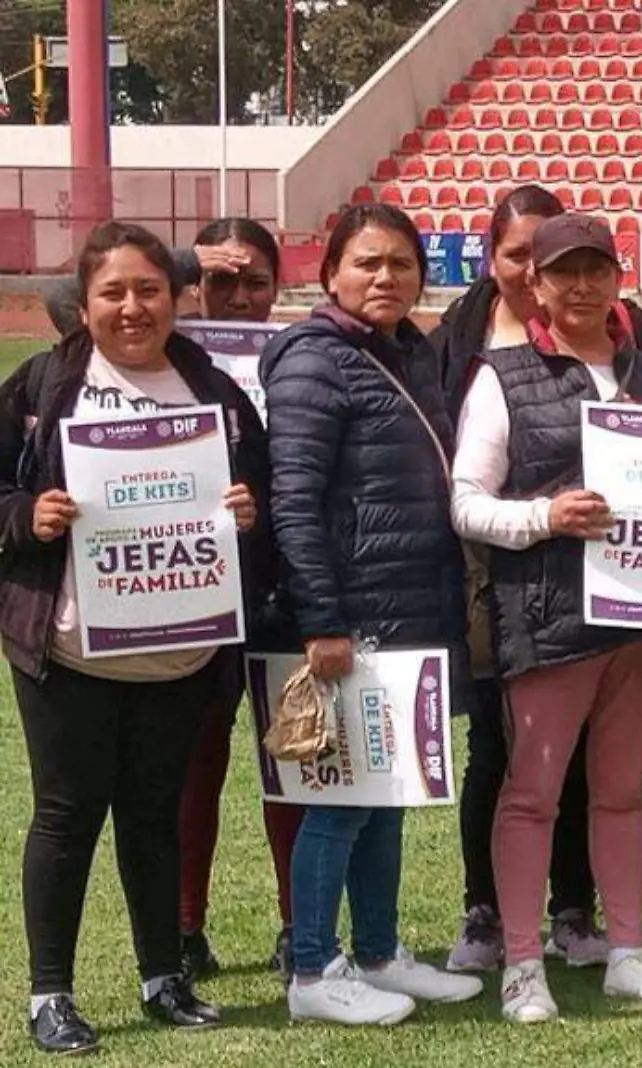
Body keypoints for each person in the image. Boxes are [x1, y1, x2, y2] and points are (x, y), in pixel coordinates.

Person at [0, 221, 270, 1054]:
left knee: (155, 815)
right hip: (70, 645)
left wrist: (246, 513)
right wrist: (24, 516)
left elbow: (259, 493)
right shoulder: (46, 387)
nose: (132, 307)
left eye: (149, 289)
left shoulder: (217, 394)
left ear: (176, 297)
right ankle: (52, 993)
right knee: (67, 815)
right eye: (113, 291)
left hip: (181, 646)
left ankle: (163, 975)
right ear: (81, 305)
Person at [450, 212, 642, 1023]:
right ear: (537, 285)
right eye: (565, 273)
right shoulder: (502, 375)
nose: (582, 286)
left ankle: (627, 949)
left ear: (618, 279)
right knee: (533, 794)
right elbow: (465, 504)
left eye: (597, 270)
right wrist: (544, 518)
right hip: (552, 615)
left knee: (622, 791)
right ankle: (524, 963)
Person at [262, 203, 484, 1025]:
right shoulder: (314, 361)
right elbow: (295, 501)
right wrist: (322, 619)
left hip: (406, 605)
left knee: (387, 787)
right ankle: (315, 970)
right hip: (349, 615)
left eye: (400, 263)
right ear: (331, 274)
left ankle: (383, 952)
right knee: (340, 800)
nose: (384, 277)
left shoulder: (406, 351)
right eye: (366, 263)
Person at [167, 216, 305, 981]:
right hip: (195, 592)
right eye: (222, 280)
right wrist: (182, 264)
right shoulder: (162, 353)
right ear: (193, 282)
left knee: (288, 759)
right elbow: (67, 302)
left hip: (284, 583)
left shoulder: (297, 350)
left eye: (257, 281)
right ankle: (186, 928)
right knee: (196, 766)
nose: (240, 296)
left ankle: (297, 924)